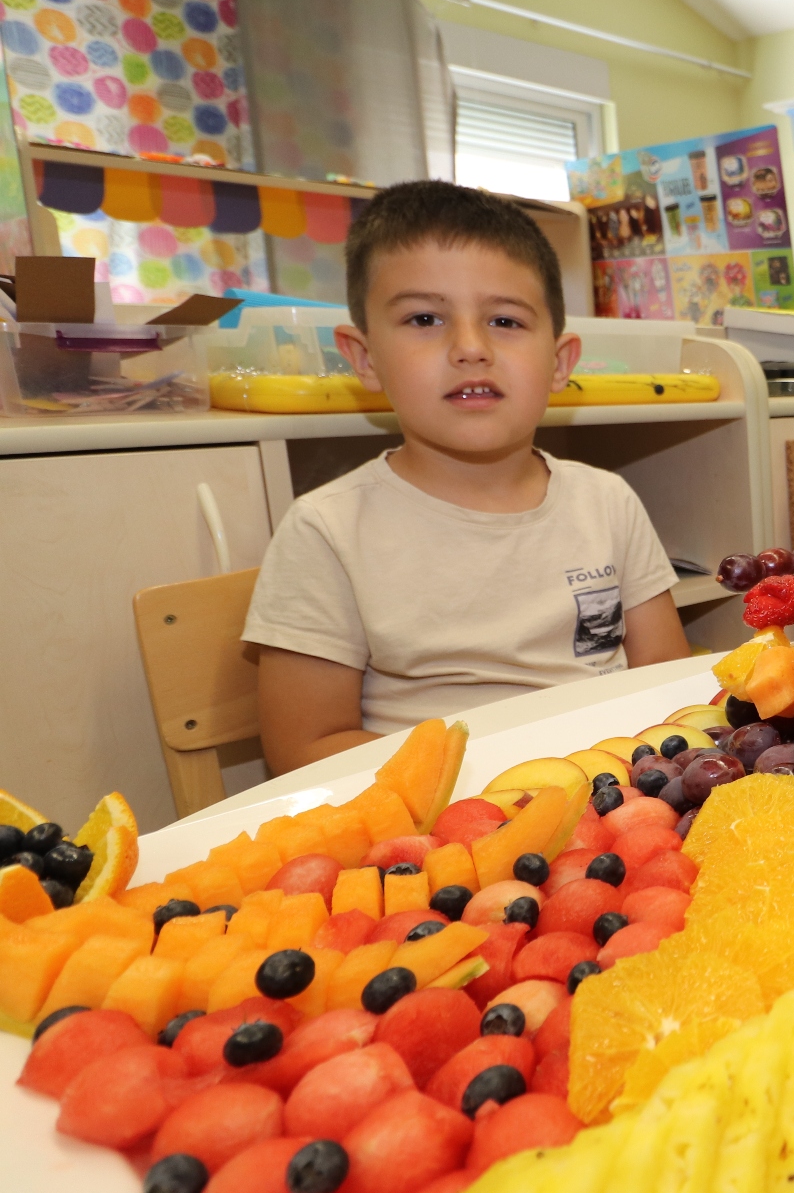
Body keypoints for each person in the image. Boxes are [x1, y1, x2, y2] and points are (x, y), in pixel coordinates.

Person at [244, 181, 688, 773]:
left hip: (612, 793)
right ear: (364, 357)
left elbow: (667, 695)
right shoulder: (326, 530)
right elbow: (305, 752)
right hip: (432, 822)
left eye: (504, 320)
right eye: (424, 318)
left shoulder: (607, 500)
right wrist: (503, 776)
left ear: (559, 362)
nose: (470, 348)